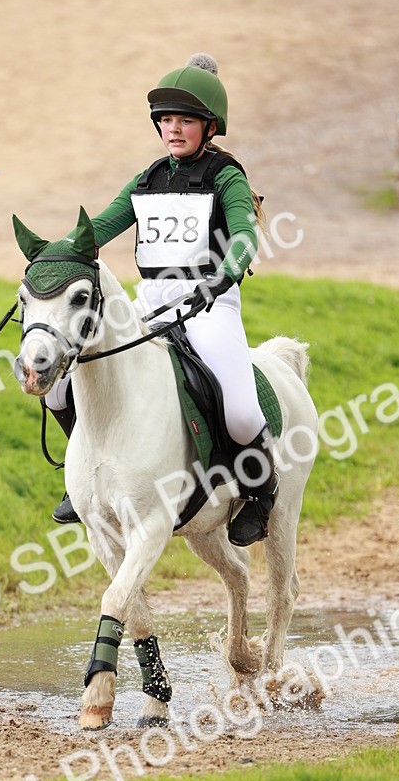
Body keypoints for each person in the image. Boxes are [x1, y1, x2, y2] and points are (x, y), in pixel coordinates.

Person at [46, 52, 277, 547]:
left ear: (209, 126)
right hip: (149, 305)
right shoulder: (147, 179)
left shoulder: (226, 177)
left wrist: (226, 274)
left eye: (185, 121)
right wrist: (57, 254)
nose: (174, 129)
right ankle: (83, 478)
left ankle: (259, 491)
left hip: (209, 304)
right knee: (58, 388)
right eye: (167, 120)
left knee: (240, 411)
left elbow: (243, 235)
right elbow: (98, 228)